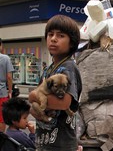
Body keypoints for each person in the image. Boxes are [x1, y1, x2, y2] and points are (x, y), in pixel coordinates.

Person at [29, 15, 82, 151]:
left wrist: (35, 97)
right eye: (50, 34)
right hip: (44, 140)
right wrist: (35, 98)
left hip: (61, 144)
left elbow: (63, 103)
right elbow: (33, 102)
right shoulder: (48, 69)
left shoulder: (68, 67)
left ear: (72, 42)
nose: (53, 39)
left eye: (61, 35)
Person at [0, 38, 14, 132]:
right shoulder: (5, 58)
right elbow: (9, 77)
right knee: (1, 119)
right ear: (0, 45)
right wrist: (10, 91)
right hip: (2, 93)